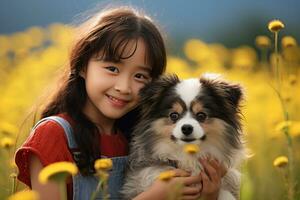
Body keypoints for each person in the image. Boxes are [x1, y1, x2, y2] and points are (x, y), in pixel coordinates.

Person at [15, 5, 226, 200]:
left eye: (140, 76)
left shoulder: (137, 140)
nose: (124, 87)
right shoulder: (54, 136)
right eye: (112, 69)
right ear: (82, 66)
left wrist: (208, 194)